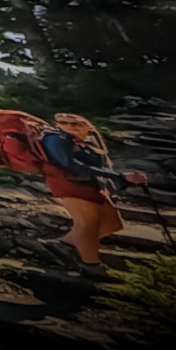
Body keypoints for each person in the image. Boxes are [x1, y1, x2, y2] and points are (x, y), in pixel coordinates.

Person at [39, 113, 148, 269]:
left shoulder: (88, 142)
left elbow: (98, 167)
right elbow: (70, 164)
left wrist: (122, 180)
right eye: (64, 123)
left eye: (77, 123)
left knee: (113, 224)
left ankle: (65, 246)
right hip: (70, 184)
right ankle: (92, 266)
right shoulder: (56, 139)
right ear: (58, 125)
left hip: (90, 184)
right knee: (86, 225)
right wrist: (119, 176)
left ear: (89, 127)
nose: (70, 126)